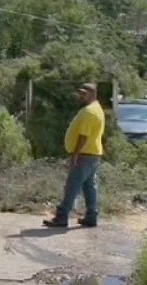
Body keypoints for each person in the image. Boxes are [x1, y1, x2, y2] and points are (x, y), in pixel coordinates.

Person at [44, 83, 106, 228]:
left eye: (83, 93)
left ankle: (62, 216)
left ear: (92, 94)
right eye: (80, 93)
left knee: (72, 186)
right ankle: (91, 216)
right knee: (89, 186)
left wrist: (75, 154)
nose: (80, 96)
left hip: (85, 154)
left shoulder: (89, 112)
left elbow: (83, 136)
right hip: (93, 154)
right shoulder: (97, 109)